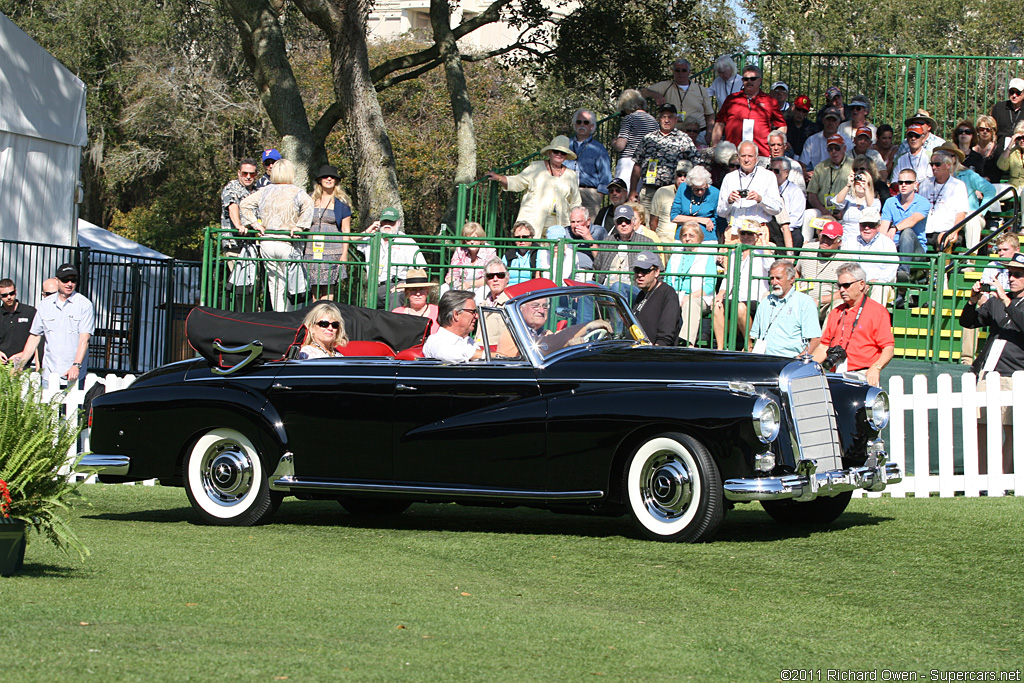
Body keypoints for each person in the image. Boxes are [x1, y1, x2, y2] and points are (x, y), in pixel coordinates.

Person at [959, 251, 1024, 474]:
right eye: (1010, 273)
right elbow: (968, 322)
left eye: (1018, 274)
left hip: (1015, 374)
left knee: (1011, 429)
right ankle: (982, 479)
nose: (1012, 278)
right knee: (982, 427)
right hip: (988, 372)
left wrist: (1007, 301)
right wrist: (972, 300)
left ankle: (1005, 480)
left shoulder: (1007, 302)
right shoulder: (995, 303)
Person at [238, 158, 313, 312]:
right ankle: (291, 318)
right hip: (288, 242)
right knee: (293, 282)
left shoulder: (264, 191)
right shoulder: (297, 191)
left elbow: (244, 204)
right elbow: (309, 206)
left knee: (275, 283)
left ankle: (279, 316)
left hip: (267, 242)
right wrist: (300, 226)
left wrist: (255, 224)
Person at [11, 263, 94, 389]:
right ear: (57, 280)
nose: (69, 284)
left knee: (73, 409)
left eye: (73, 280)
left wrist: (76, 365)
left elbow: (84, 339)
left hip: (73, 376)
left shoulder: (84, 305)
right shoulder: (45, 305)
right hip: (49, 375)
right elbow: (34, 337)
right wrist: (20, 365)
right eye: (65, 280)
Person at [813, 263, 894, 387]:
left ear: (861, 284)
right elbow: (823, 347)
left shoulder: (877, 311)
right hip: (835, 374)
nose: (841, 290)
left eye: (846, 285)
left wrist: (876, 368)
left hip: (863, 375)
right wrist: (806, 367)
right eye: (839, 286)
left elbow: (888, 348)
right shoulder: (836, 312)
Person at [487, 136, 581, 237]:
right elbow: (518, 182)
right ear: (550, 152)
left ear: (566, 156)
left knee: (556, 250)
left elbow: (575, 201)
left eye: (563, 153)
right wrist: (499, 178)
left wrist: (576, 222)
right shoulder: (536, 167)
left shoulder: (571, 175)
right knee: (531, 248)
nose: (559, 154)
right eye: (555, 151)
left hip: (559, 223)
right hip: (534, 219)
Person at [961, 233, 1021, 367]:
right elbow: (984, 297)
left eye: (1005, 249)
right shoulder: (991, 266)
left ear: (1017, 250)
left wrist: (1002, 298)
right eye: (999, 250)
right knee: (974, 315)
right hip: (993, 306)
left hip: (1015, 309)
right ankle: (967, 359)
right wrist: (973, 300)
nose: (1001, 253)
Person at [713, 220, 771, 350]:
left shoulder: (764, 250)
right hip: (735, 296)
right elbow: (729, 277)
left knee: (740, 307)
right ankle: (720, 348)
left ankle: (748, 344)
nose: (745, 237)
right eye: (743, 233)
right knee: (717, 306)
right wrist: (721, 293)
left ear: (756, 235)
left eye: (750, 234)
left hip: (756, 297)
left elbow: (770, 266)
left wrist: (763, 242)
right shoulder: (734, 253)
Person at [630, 103, 696, 214]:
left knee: (666, 225)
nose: (666, 120)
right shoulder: (648, 138)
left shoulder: (684, 139)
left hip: (671, 191)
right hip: (649, 191)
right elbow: (637, 164)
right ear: (659, 119)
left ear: (676, 119)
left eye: (670, 117)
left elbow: (696, 164)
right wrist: (632, 190)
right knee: (646, 225)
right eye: (663, 117)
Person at [355, 207, 427, 308]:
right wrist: (367, 231)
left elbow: (422, 268)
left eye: (391, 222)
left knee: (396, 299)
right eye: (384, 222)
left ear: (398, 223)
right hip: (374, 286)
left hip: (396, 284)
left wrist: (406, 285)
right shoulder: (371, 237)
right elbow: (348, 241)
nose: (387, 225)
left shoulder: (407, 241)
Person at [711, 65, 787, 158]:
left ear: (760, 81)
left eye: (753, 79)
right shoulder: (731, 99)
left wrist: (776, 146)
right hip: (733, 155)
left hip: (761, 154)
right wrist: (715, 147)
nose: (749, 82)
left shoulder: (770, 101)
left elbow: (782, 126)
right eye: (746, 79)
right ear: (742, 81)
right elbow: (719, 124)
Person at [749, 260, 821, 357]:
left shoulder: (805, 302)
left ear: (791, 279)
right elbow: (754, 337)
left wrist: (798, 360)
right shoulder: (765, 302)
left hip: (789, 362)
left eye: (778, 278)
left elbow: (815, 340)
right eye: (772, 278)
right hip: (763, 360)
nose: (774, 282)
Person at [664, 221, 716, 346]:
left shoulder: (706, 256)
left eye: (691, 235)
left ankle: (687, 343)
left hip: (699, 297)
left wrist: (689, 296)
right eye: (684, 235)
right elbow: (667, 280)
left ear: (699, 238)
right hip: (675, 295)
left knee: (690, 304)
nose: (687, 239)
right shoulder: (675, 255)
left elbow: (710, 286)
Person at [307, 164, 352, 300]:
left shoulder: (342, 203)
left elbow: (346, 230)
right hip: (311, 248)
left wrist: (344, 254)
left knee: (328, 287)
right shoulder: (310, 200)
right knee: (313, 286)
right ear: (319, 180)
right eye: (325, 176)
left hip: (333, 249)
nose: (328, 179)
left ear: (336, 181)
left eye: (332, 177)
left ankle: (326, 317)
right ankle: (314, 318)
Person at [641, 58, 716, 138]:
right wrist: (654, 94)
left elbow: (709, 114)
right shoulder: (665, 86)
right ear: (673, 72)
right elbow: (641, 92)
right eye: (677, 70)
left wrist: (709, 133)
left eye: (684, 70)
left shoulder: (701, 89)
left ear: (689, 72)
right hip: (672, 134)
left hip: (697, 133)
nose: (680, 73)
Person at [717, 141, 784, 228]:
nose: (746, 160)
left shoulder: (768, 176)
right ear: (738, 157)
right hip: (733, 230)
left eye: (750, 156)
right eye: (743, 156)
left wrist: (761, 200)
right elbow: (720, 213)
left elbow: (777, 209)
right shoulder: (729, 177)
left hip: (758, 230)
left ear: (757, 158)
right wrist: (729, 201)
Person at [942, 141, 997, 247]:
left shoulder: (968, 174)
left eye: (950, 155)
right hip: (947, 216)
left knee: (973, 220)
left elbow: (990, 190)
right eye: (943, 155)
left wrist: (980, 212)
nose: (946, 159)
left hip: (969, 215)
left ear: (955, 158)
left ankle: (970, 260)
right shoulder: (936, 177)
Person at [842, 207, 898, 304]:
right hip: (854, 284)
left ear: (878, 226)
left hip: (877, 284)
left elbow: (891, 269)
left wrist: (873, 281)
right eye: (864, 225)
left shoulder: (887, 243)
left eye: (871, 225)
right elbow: (844, 265)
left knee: (880, 286)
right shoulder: (850, 242)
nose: (867, 228)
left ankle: (874, 318)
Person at [564, 108, 612, 219]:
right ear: (575, 125)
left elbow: (605, 177)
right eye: (579, 122)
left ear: (592, 126)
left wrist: (597, 197)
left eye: (586, 122)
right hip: (567, 191)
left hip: (589, 194)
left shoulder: (599, 149)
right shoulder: (565, 144)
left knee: (588, 230)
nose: (582, 125)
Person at [879, 169, 929, 275]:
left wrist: (894, 228)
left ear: (915, 184)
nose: (904, 185)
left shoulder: (923, 202)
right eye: (901, 182)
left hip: (916, 251)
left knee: (907, 232)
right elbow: (883, 228)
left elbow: (913, 220)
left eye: (908, 182)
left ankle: (903, 272)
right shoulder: (890, 202)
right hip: (894, 247)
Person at [796, 219, 848, 321]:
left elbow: (846, 290)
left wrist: (820, 300)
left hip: (825, 305)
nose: (825, 241)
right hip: (801, 302)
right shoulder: (807, 249)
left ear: (839, 242)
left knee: (838, 305)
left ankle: (826, 337)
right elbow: (797, 272)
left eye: (830, 238)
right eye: (824, 236)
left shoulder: (846, 259)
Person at [919, 149, 970, 251]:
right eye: (931, 164)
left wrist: (954, 231)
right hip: (926, 230)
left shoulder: (958, 185)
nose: (933, 167)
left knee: (943, 239)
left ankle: (943, 266)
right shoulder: (925, 183)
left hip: (947, 230)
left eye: (937, 164)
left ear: (948, 165)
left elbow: (961, 213)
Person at [593, 204, 654, 288]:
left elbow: (658, 271)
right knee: (588, 285)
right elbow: (596, 268)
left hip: (633, 289)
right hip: (606, 288)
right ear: (615, 223)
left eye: (627, 221)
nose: (623, 224)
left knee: (617, 286)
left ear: (633, 222)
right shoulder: (607, 242)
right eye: (620, 221)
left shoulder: (646, 243)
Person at [628, 250, 680, 346]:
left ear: (656, 272)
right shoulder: (641, 294)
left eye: (645, 271)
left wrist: (655, 351)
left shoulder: (668, 294)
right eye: (637, 270)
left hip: (656, 356)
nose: (639, 275)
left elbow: (666, 335)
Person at [611, 89, 659, 184]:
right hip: (648, 162)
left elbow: (620, 145)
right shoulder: (653, 121)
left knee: (625, 193)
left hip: (629, 161)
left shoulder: (629, 118)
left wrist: (614, 142)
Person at [805, 134, 854, 226]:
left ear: (844, 148)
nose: (834, 152)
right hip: (823, 210)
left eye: (837, 148)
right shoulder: (820, 167)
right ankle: (806, 240)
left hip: (845, 210)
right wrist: (823, 211)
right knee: (808, 214)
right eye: (830, 149)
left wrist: (844, 211)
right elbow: (812, 194)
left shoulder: (853, 166)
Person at [423, 290, 484, 362]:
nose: (476, 316)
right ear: (456, 314)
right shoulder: (435, 341)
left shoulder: (468, 341)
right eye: (473, 312)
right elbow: (447, 353)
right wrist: (486, 355)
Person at [219, 158, 258, 264]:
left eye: (252, 174)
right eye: (245, 173)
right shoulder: (232, 187)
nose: (248, 177)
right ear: (239, 173)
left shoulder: (256, 191)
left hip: (251, 244)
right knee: (237, 278)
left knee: (251, 278)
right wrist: (238, 225)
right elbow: (232, 206)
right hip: (234, 243)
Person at [832, 157, 881, 241]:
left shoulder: (875, 201)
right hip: (846, 238)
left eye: (864, 183)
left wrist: (866, 188)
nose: (860, 185)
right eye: (858, 182)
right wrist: (848, 185)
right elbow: (837, 203)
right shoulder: (849, 199)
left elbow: (872, 208)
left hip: (864, 239)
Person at [671, 165, 720, 243]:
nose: (700, 192)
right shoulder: (683, 188)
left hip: (707, 238)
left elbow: (718, 220)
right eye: (696, 189)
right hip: (683, 238)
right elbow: (674, 217)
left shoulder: (715, 193)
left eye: (703, 189)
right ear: (690, 186)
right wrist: (701, 220)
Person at [446, 221, 497, 291]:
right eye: (468, 239)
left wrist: (469, 284)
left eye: (475, 238)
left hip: (480, 286)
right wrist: (451, 279)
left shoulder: (489, 251)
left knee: (485, 290)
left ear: (480, 238)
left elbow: (490, 278)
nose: (472, 242)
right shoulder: (460, 250)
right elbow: (453, 272)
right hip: (461, 285)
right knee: (444, 288)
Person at [0, 278, 38, 368]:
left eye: (11, 293)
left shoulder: (30, 312)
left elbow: (37, 339)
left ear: (16, 292)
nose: (9, 297)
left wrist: (22, 355)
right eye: (4, 295)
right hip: (2, 368)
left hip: (23, 366)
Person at [799, 108, 851, 172]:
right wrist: (806, 174)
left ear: (838, 123)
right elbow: (803, 164)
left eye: (834, 120)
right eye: (828, 120)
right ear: (823, 121)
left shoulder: (846, 141)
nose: (830, 123)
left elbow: (850, 164)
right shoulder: (811, 140)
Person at [770, 156, 806, 248]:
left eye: (776, 171)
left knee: (797, 237)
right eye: (771, 170)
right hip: (770, 228)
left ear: (786, 173)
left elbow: (795, 219)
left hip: (787, 229)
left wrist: (783, 227)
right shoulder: (765, 189)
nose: (773, 173)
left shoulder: (795, 191)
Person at [392, 268, 440, 335]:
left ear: (427, 292)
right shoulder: (397, 313)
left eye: (421, 289)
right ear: (407, 293)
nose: (418, 294)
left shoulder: (437, 312)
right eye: (413, 290)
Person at [650, 161, 689, 242]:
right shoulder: (662, 191)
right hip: (663, 239)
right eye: (679, 175)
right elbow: (653, 222)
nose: (682, 178)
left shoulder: (695, 194)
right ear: (675, 176)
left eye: (686, 175)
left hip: (685, 239)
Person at [564, 206, 608, 278]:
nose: (575, 225)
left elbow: (602, 261)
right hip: (567, 271)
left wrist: (588, 237)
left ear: (588, 221)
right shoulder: (565, 232)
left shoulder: (599, 231)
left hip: (588, 272)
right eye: (573, 222)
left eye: (579, 221)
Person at [503, 220, 542, 286]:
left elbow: (538, 277)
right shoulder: (508, 255)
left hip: (530, 291)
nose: (521, 240)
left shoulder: (538, 252)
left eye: (525, 237)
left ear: (531, 237)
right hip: (510, 289)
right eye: (517, 237)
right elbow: (502, 275)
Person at [967, 114, 1002, 183]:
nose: (985, 132)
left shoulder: (997, 149)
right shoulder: (970, 147)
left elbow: (997, 172)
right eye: (981, 129)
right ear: (977, 131)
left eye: (988, 130)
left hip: (990, 184)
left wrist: (985, 180)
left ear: (993, 132)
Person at [990, 77, 1024, 145]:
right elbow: (992, 129)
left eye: (1018, 93)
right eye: (1012, 92)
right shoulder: (999, 108)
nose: (1014, 95)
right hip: (1001, 149)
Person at [996, 120, 1024, 190]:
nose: (1022, 141)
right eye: (1019, 138)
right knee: (993, 189)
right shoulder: (1013, 151)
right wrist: (1011, 144)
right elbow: (1002, 166)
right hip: (1013, 186)